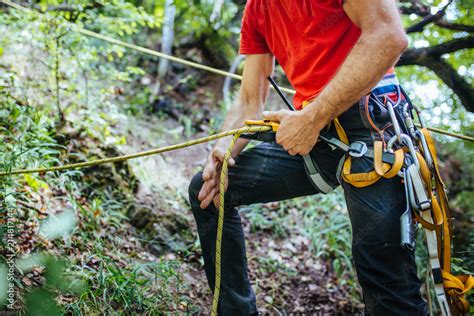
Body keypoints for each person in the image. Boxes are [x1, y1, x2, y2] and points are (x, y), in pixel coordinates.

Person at [188, 0, 427, 314]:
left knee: (383, 273)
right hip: (314, 133)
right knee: (208, 192)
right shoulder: (257, 9)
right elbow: (250, 99)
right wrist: (221, 151)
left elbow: (388, 36)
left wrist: (312, 118)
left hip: (372, 129)